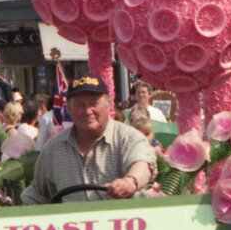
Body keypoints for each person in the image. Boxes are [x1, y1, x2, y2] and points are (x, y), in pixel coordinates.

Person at [21, 74, 156, 204]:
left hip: (123, 224)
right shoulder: (53, 149)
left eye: (94, 104)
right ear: (69, 109)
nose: (87, 111)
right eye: (80, 105)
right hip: (71, 225)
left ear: (108, 105)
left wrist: (130, 182)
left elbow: (142, 164)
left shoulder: (129, 138)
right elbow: (35, 196)